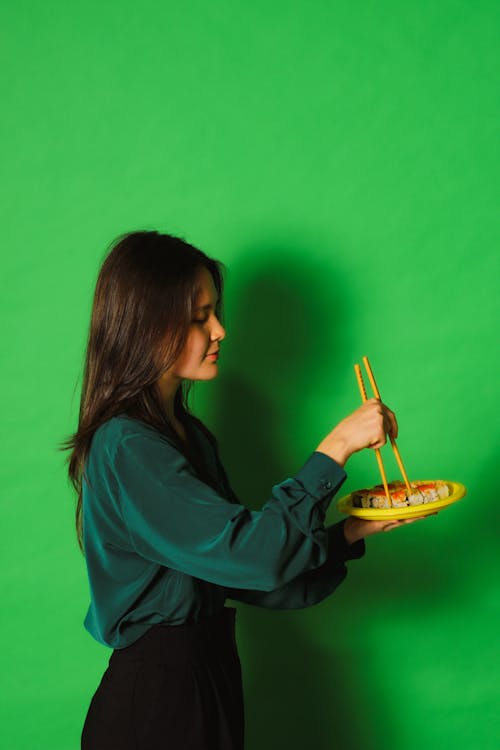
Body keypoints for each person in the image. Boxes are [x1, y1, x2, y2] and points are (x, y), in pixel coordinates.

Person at [60, 230, 427, 750]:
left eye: (215, 312)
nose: (220, 331)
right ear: (146, 325)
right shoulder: (127, 446)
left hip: (208, 680)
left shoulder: (189, 435)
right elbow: (254, 559)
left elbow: (253, 577)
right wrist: (337, 446)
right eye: (199, 316)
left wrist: (348, 534)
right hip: (157, 703)